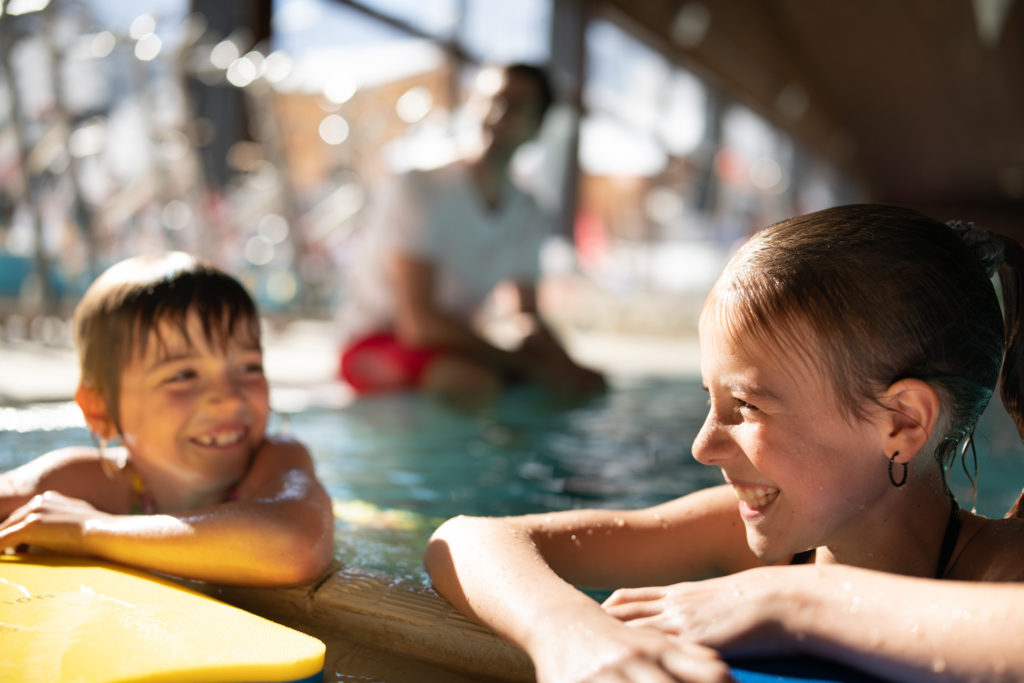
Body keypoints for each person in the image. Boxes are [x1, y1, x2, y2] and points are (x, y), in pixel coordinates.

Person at [424, 204, 1024, 682]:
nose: (702, 446)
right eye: (709, 401)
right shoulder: (747, 539)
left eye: (747, 406)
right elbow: (466, 540)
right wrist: (565, 629)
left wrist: (795, 602)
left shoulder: (1000, 570)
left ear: (901, 423)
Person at [0, 252, 335, 586]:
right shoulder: (88, 482)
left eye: (249, 367)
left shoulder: (277, 461)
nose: (230, 398)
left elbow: (296, 547)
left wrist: (88, 529)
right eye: (183, 375)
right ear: (100, 409)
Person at [337, 62, 605, 402]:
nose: (497, 113)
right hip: (372, 345)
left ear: (539, 125)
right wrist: (525, 365)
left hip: (450, 347)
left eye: (515, 106)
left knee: (582, 386)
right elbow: (418, 323)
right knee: (474, 382)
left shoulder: (528, 211)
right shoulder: (421, 189)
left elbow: (526, 316)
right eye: (490, 100)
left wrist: (567, 367)